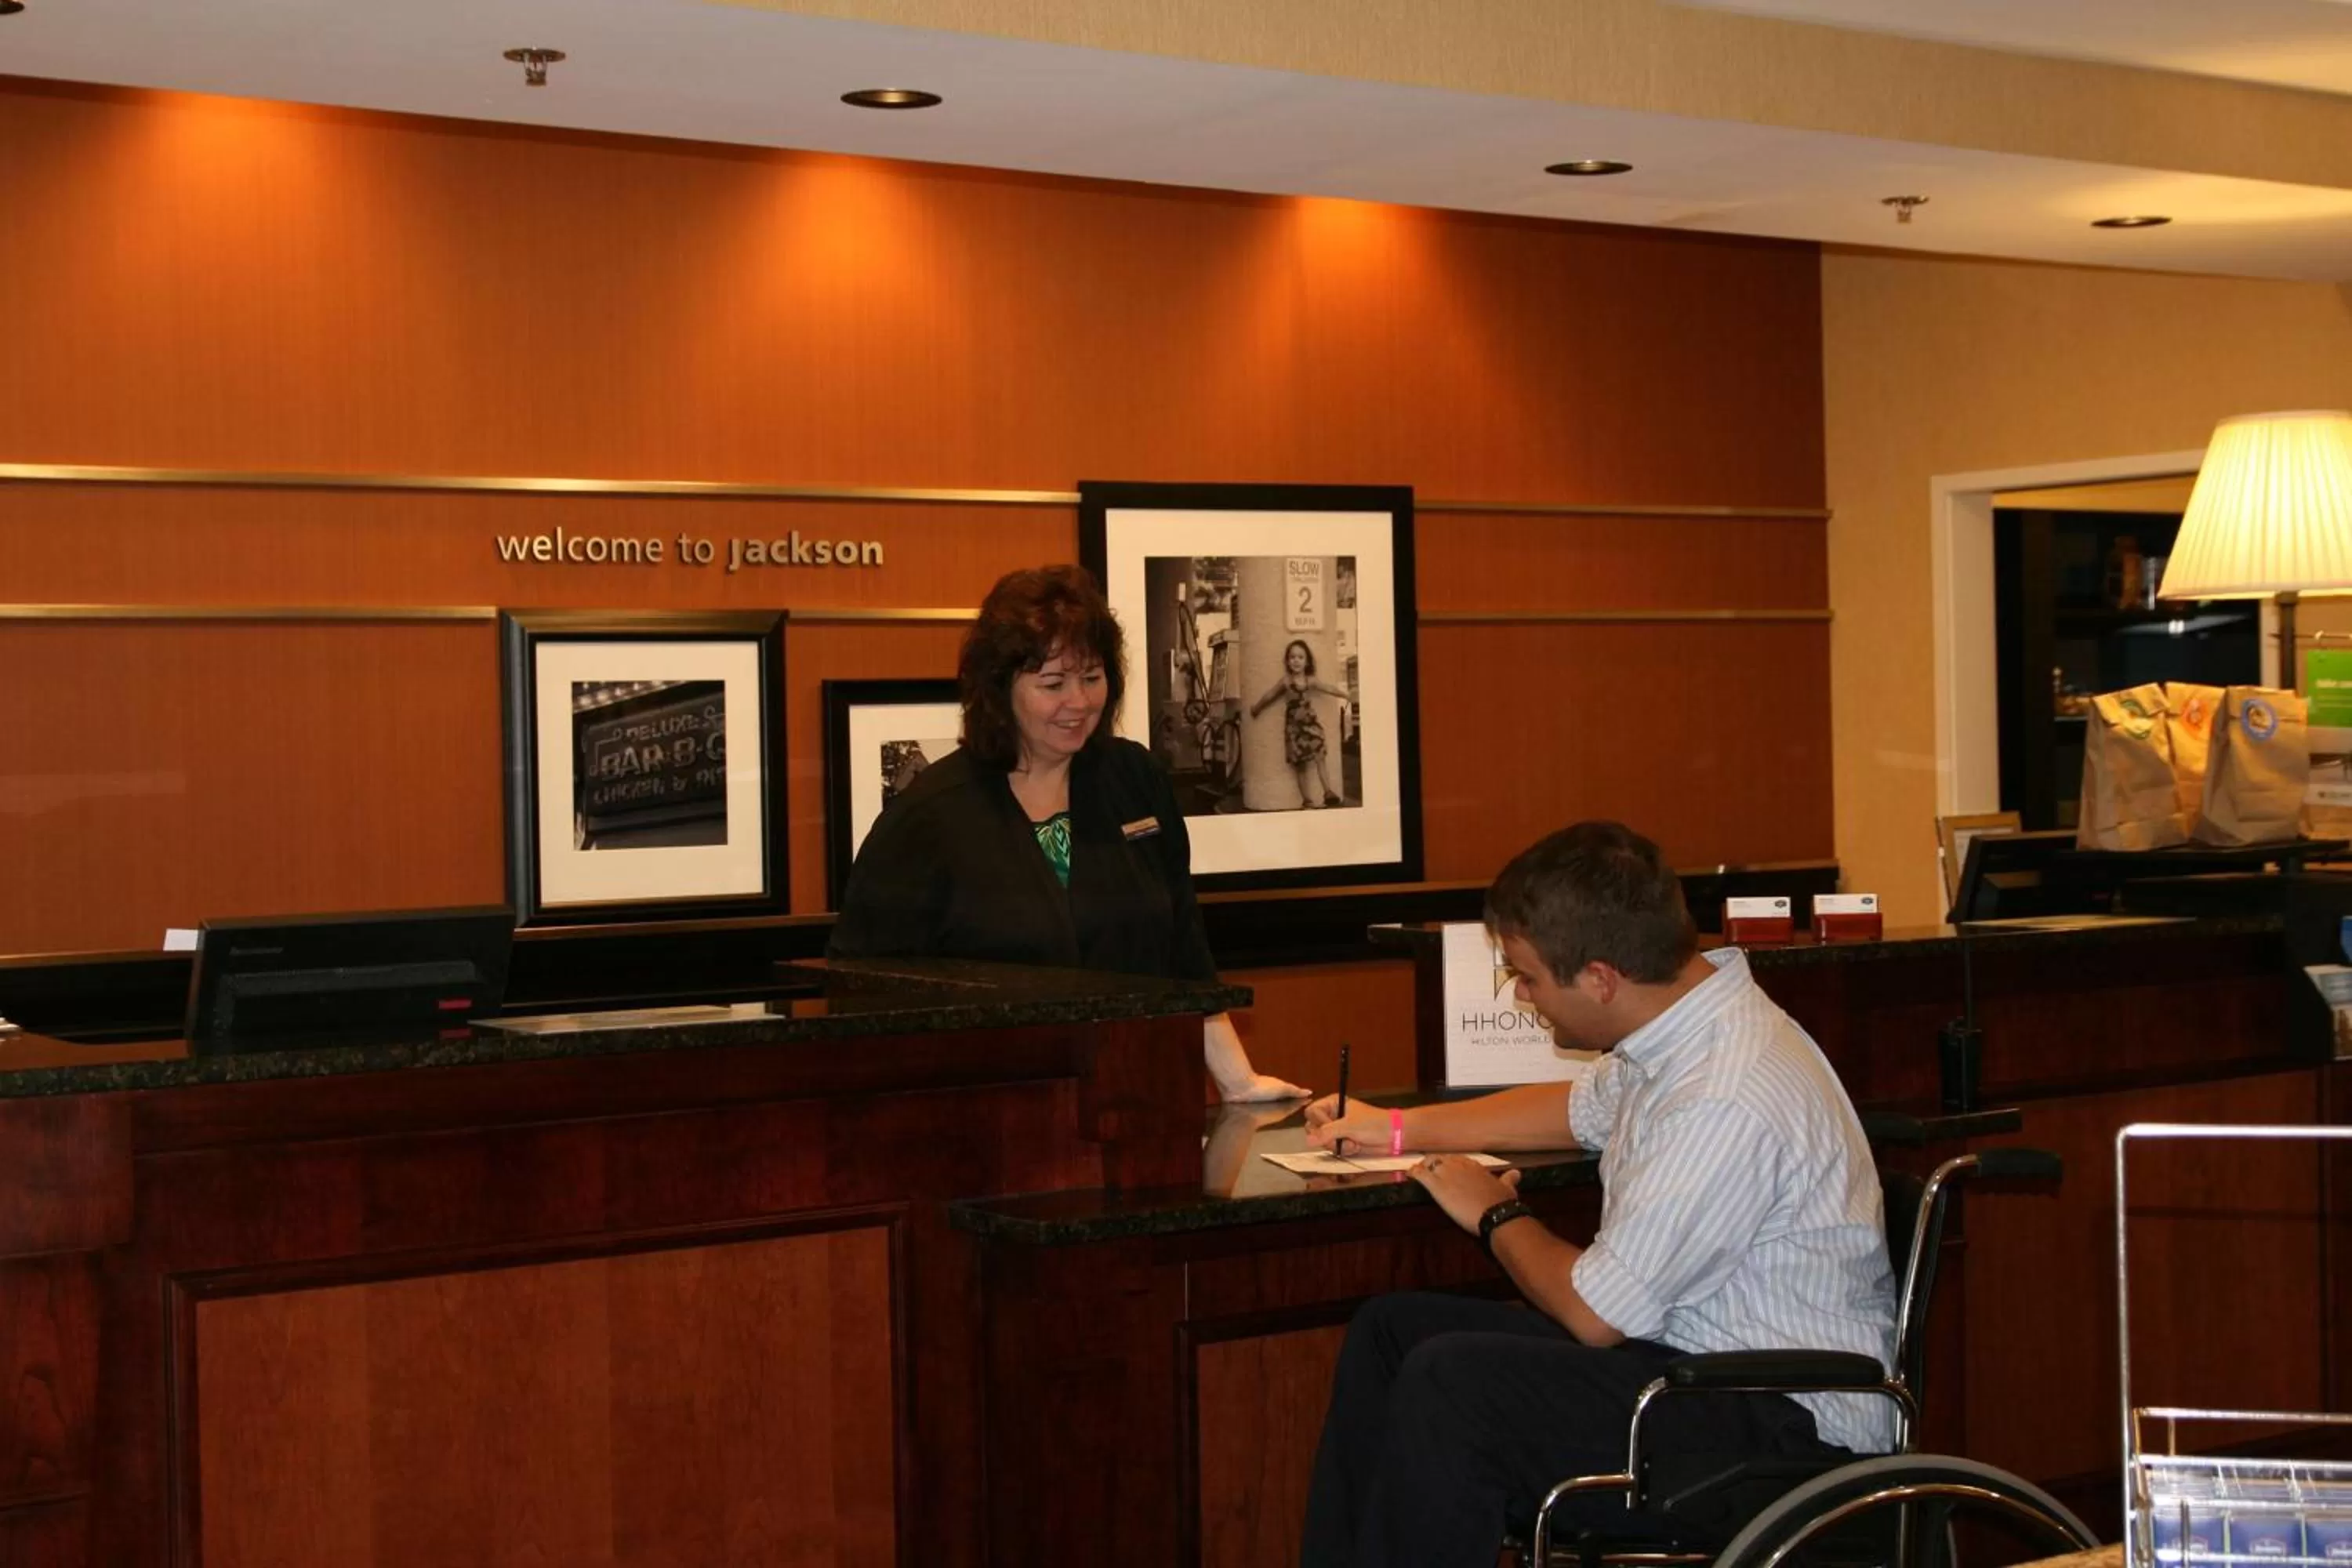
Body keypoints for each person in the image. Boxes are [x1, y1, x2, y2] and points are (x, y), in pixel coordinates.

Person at [1297, 821, 1896, 1567]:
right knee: (1393, 1333)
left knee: (1454, 1385)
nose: (1520, 995)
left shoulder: (1723, 1094)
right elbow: (1578, 1109)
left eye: (1527, 976)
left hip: (1783, 1427)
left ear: (1601, 978)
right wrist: (1395, 1126)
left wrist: (1495, 1212)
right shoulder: (1682, 1026)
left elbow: (1594, 1315)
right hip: (1691, 1369)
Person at [829, 564, 1306, 1103]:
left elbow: (1184, 950)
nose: (1078, 702)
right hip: (991, 1116)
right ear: (998, 688)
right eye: (1053, 683)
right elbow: (864, 997)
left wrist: (1237, 1082)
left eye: (1092, 677)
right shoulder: (928, 818)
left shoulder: (1136, 780)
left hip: (1141, 1101)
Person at [1247, 639, 1350, 808]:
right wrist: (1256, 708)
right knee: (1300, 764)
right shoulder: (1286, 682)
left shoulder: (1311, 681)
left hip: (1310, 725)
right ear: (1288, 661)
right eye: (1292, 657)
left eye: (1300, 657)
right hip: (1294, 729)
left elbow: (1329, 688)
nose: (1296, 660)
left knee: (1320, 756)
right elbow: (1269, 696)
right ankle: (1307, 800)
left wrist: (1345, 695)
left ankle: (1328, 792)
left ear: (1307, 661)